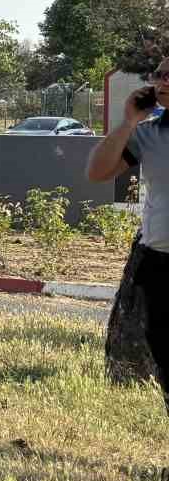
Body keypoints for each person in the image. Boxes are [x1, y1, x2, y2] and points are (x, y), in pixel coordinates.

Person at [87, 64, 169, 412]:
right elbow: (97, 172)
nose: (162, 81)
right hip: (159, 265)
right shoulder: (148, 134)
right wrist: (129, 122)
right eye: (159, 75)